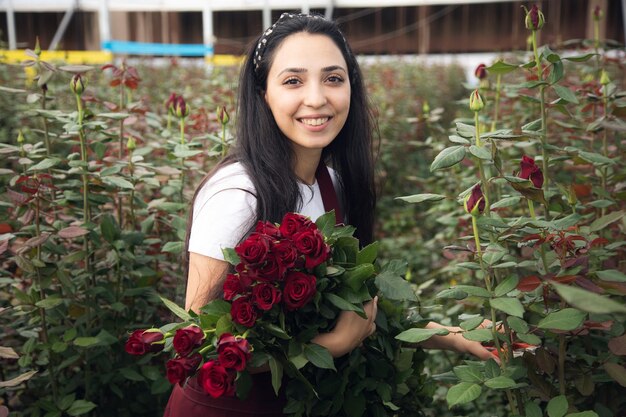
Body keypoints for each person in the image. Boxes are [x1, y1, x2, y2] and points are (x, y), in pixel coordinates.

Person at [164, 12, 493, 417]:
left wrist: (458, 336)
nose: (317, 98)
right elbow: (200, 346)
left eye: (333, 78)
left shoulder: (331, 183)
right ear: (262, 92)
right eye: (293, 80)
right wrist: (335, 345)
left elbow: (360, 313)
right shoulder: (237, 195)